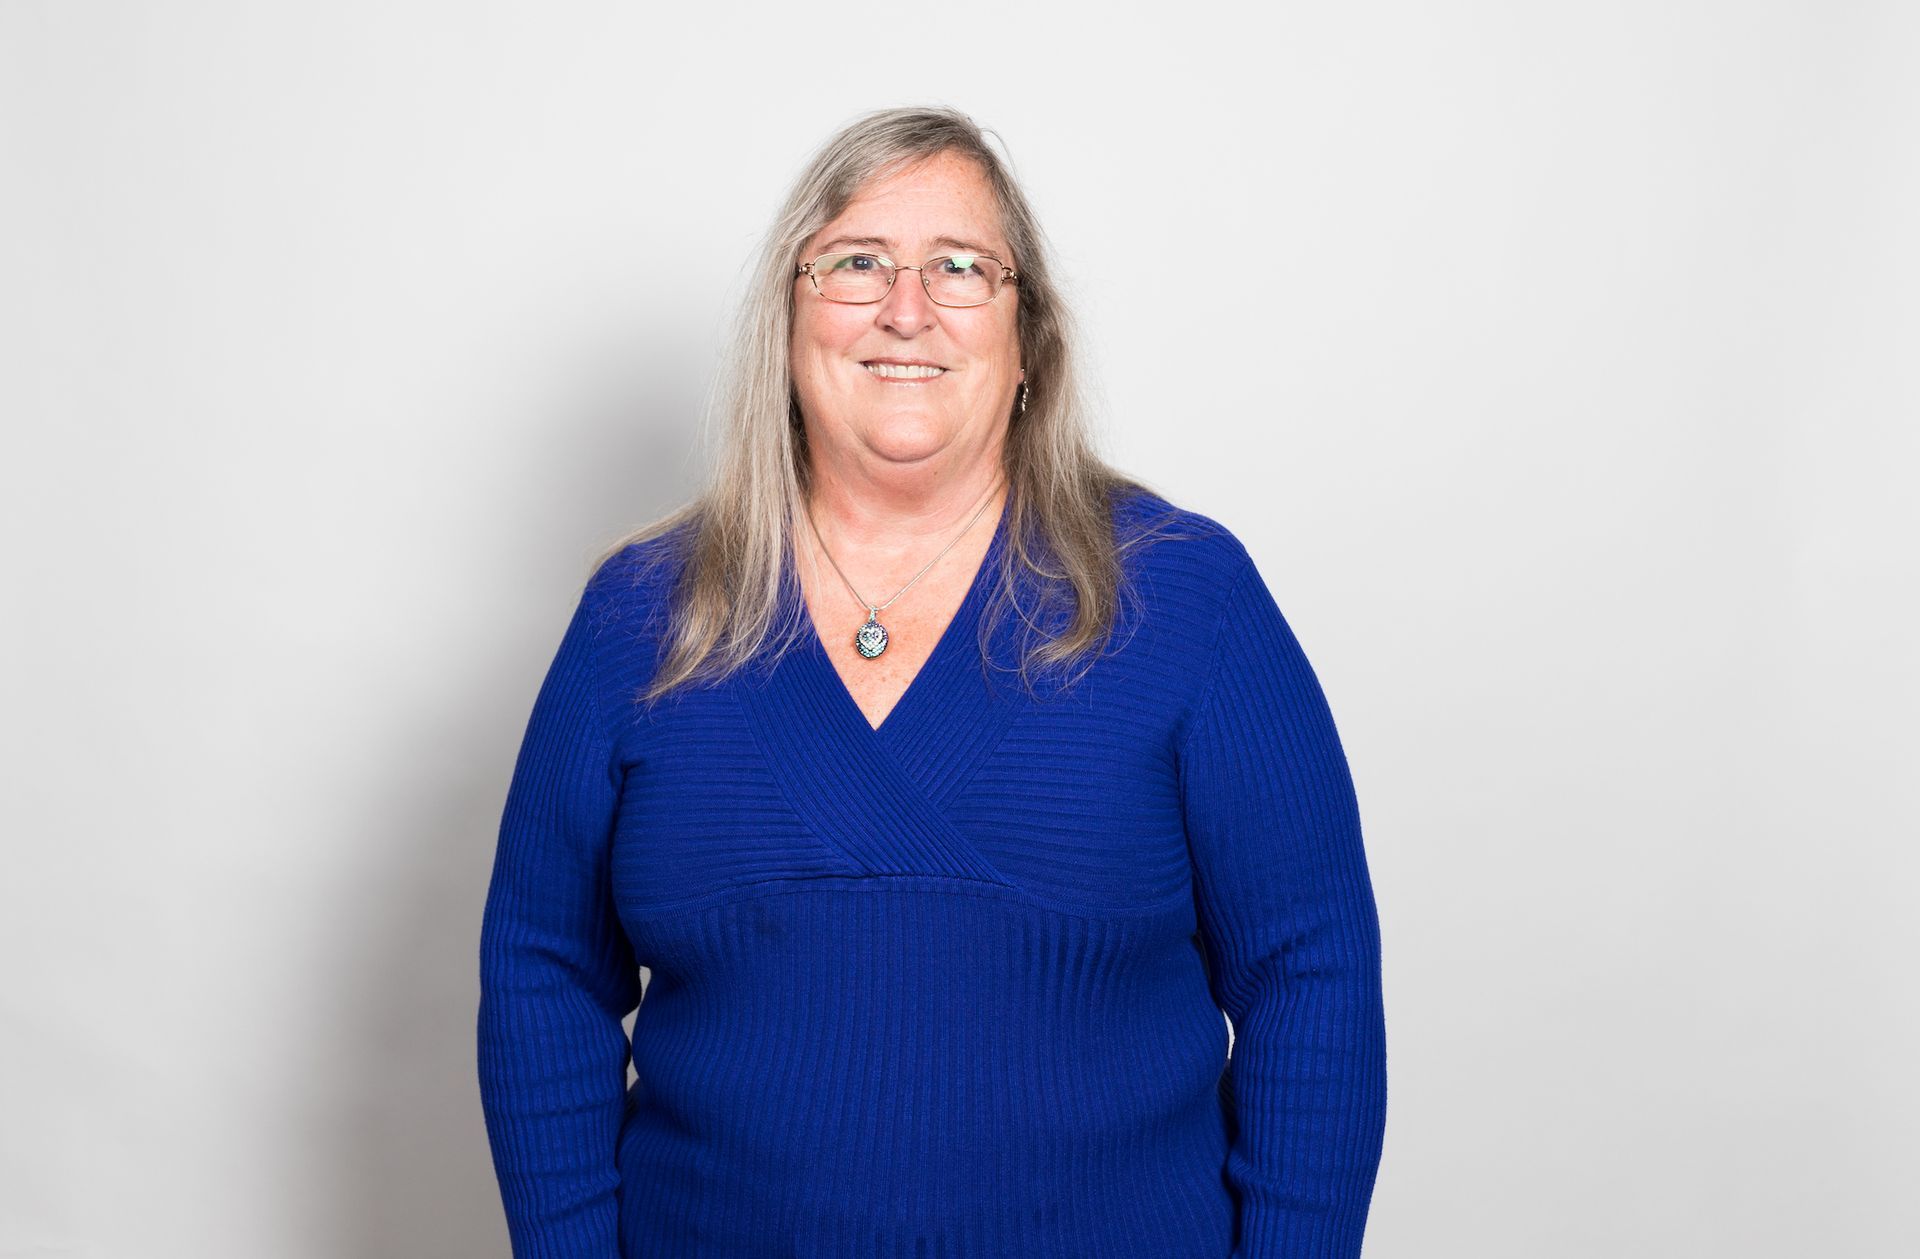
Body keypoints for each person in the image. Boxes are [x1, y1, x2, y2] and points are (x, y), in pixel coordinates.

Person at [476, 105, 1387, 1259]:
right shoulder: (642, 615)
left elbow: (1314, 969)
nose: (907, 308)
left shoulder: (1187, 599)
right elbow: (540, 967)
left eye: (961, 268)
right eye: (855, 263)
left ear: (1026, 342)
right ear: (788, 322)